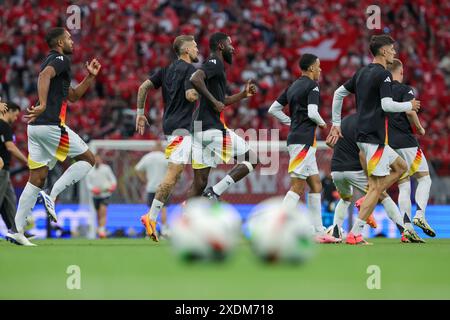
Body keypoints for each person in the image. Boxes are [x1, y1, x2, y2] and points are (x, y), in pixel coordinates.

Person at [329, 34, 420, 245]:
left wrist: (336, 122)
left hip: (366, 137)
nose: (395, 52)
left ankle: (368, 196)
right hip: (374, 138)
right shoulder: (384, 75)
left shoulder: (361, 72)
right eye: (392, 49)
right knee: (378, 187)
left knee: (401, 166)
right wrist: (409, 106)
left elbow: (338, 93)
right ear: (383, 51)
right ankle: (354, 233)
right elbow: (387, 105)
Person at [13, 27, 101, 246]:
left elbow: (72, 96)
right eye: (69, 38)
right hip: (51, 125)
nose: (73, 41)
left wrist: (90, 77)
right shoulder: (60, 59)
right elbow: (44, 75)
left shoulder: (55, 63)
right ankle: (52, 195)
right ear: (60, 42)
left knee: (37, 177)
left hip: (35, 129)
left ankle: (16, 230)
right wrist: (43, 104)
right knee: (89, 160)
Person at [268, 53, 339, 243]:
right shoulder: (312, 86)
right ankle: (276, 226)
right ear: (310, 68)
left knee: (315, 185)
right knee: (298, 187)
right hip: (303, 142)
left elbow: (273, 109)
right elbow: (312, 112)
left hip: (300, 140)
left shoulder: (292, 86)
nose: (321, 69)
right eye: (318, 66)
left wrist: (290, 121)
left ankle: (318, 231)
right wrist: (324, 124)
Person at [136, 35, 199, 242]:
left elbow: (143, 87)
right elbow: (191, 96)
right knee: (173, 174)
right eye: (195, 46)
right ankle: (152, 217)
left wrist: (139, 112)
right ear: (187, 50)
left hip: (172, 125)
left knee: (186, 171)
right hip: (182, 127)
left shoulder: (166, 70)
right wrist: (206, 92)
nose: (198, 49)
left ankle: (184, 211)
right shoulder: (190, 71)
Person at [326, 113, 423, 243]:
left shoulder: (344, 121)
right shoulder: (368, 124)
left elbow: (329, 142)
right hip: (355, 169)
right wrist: (370, 180)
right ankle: (404, 232)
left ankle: (336, 234)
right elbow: (362, 153)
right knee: (382, 195)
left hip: (336, 169)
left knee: (345, 199)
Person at [188, 32, 258, 200]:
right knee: (251, 159)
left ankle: (185, 222)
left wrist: (242, 95)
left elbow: (222, 101)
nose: (233, 48)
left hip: (198, 129)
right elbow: (195, 78)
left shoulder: (217, 67)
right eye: (230, 43)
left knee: (199, 182)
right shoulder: (215, 62)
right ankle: (216, 191)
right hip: (211, 128)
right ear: (220, 45)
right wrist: (213, 101)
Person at [386, 58, 435, 238]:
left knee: (403, 184)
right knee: (424, 179)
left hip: (389, 144)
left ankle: (407, 227)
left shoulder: (382, 92)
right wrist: (420, 127)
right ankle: (420, 215)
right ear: (400, 71)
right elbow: (410, 111)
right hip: (406, 142)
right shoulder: (405, 89)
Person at [0, 102, 32, 244]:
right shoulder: (4, 126)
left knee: (10, 202)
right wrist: (27, 161)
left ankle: (16, 232)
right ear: (9, 111)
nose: (16, 118)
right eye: (16, 114)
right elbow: (10, 147)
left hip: (4, 169)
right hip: (1, 170)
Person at [135, 142, 170, 238]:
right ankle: (164, 231)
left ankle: (150, 231)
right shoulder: (165, 157)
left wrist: (144, 180)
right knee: (163, 209)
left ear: (153, 147)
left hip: (151, 187)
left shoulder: (148, 157)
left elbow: (137, 169)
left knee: (151, 210)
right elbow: (172, 170)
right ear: (161, 148)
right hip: (164, 187)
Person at [86, 154, 117, 238]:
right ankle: (100, 229)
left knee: (103, 211)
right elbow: (88, 183)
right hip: (95, 196)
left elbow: (113, 179)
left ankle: (102, 229)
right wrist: (92, 189)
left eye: (98, 159)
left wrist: (112, 186)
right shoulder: (90, 170)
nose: (97, 160)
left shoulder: (106, 169)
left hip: (105, 194)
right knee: (98, 214)